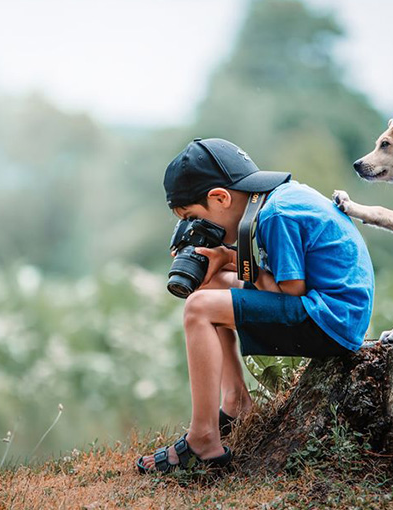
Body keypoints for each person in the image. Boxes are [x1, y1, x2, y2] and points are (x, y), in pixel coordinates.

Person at [136, 138, 374, 473]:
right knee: (210, 288)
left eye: (194, 218)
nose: (196, 229)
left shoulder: (276, 215)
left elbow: (290, 293)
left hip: (331, 320)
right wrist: (221, 263)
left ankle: (203, 439)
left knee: (199, 308)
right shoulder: (275, 199)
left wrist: (232, 257)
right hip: (329, 308)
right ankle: (235, 402)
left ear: (220, 198)